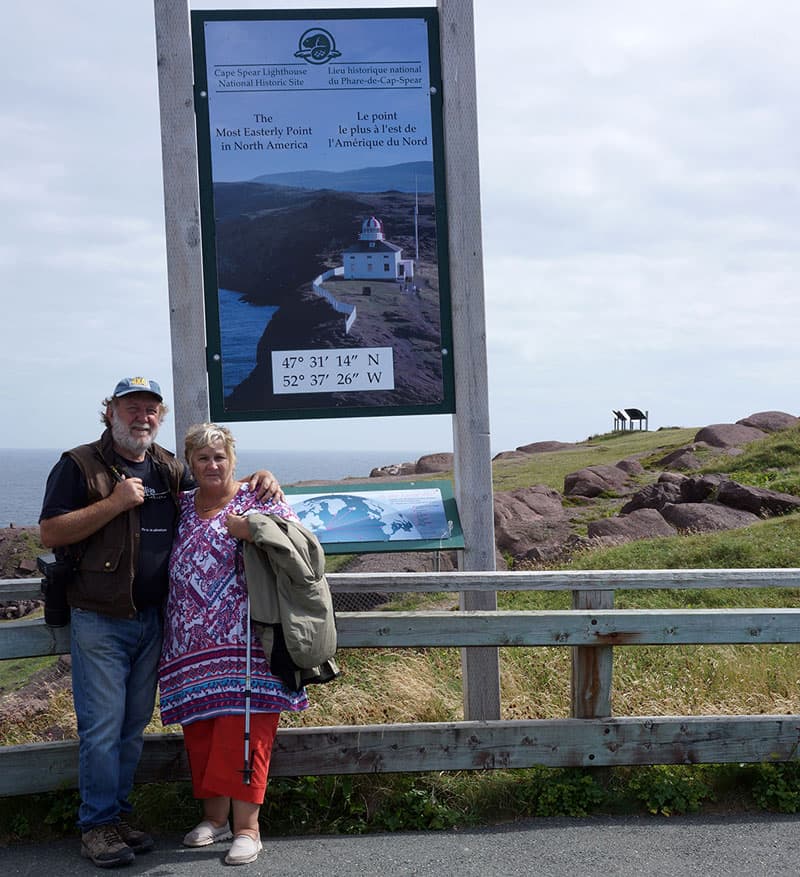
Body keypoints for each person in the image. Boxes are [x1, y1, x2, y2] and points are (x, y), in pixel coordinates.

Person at [39, 378, 282, 869]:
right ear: (110, 411)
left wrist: (263, 478)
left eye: (151, 410)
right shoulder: (78, 464)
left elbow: (218, 486)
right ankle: (98, 825)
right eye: (132, 408)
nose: (142, 417)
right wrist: (115, 502)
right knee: (103, 727)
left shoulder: (168, 467)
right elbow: (48, 532)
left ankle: (120, 818)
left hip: (156, 623)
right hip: (103, 617)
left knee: (130, 728)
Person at [158, 422, 308, 866]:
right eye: (202, 457)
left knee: (245, 734)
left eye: (220, 456)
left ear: (233, 460)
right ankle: (215, 818)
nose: (212, 464)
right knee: (202, 733)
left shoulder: (257, 498)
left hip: (248, 644)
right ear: (190, 462)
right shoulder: (180, 506)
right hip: (188, 645)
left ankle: (248, 829)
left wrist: (255, 530)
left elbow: (300, 550)